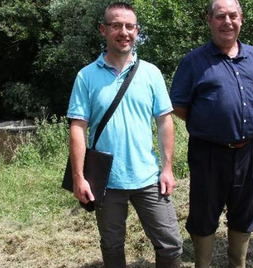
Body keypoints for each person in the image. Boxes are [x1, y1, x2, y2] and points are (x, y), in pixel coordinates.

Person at [67, 2, 183, 267]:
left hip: (148, 177)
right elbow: (77, 128)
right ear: (103, 30)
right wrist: (78, 177)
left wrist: (167, 169)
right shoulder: (85, 77)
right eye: (116, 25)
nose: (124, 32)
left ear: (137, 31)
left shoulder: (151, 73)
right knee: (112, 246)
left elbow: (165, 121)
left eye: (129, 26)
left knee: (171, 244)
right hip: (105, 181)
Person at [170, 0, 253, 267]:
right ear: (209, 20)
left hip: (251, 150)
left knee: (245, 210)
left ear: (241, 19)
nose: (227, 22)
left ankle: (237, 263)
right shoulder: (194, 61)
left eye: (232, 15)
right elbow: (179, 106)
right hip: (208, 152)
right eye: (220, 16)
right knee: (204, 213)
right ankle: (203, 264)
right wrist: (211, 124)